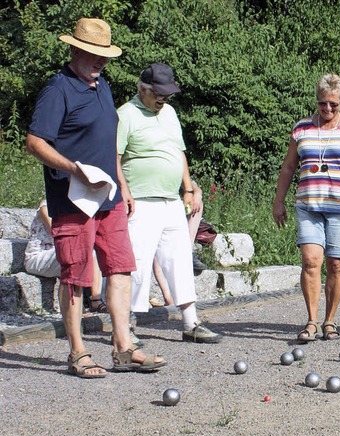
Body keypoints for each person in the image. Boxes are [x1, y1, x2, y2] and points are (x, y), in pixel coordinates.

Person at [25, 18, 166, 377]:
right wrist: (73, 168)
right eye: (93, 54)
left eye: (104, 55)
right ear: (75, 50)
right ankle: (78, 353)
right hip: (73, 199)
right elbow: (35, 142)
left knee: (120, 267)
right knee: (75, 275)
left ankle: (124, 347)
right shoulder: (58, 89)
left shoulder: (101, 86)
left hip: (109, 198)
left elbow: (107, 142)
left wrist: (122, 184)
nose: (100, 62)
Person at [117, 62, 222, 343]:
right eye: (159, 95)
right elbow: (114, 156)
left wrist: (188, 188)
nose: (164, 99)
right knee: (137, 264)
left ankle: (191, 323)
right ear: (143, 89)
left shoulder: (170, 113)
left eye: (168, 94)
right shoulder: (126, 115)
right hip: (140, 201)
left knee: (180, 261)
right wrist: (124, 191)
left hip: (170, 200)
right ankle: (127, 325)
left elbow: (178, 151)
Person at [272, 73, 340, 342]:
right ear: (316, 102)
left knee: (336, 265)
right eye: (322, 104)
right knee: (310, 261)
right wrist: (278, 201)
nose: (328, 109)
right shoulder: (302, 129)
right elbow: (289, 167)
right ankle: (311, 321)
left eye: (333, 105)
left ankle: (330, 320)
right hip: (308, 204)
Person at [24, 200, 105, 314]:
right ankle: (88, 303)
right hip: (38, 257)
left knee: (90, 252)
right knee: (78, 254)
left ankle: (95, 300)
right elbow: (56, 232)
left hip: (57, 254)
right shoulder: (45, 207)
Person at [150, 179, 206, 308]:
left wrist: (196, 194)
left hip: (176, 207)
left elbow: (194, 185)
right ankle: (168, 297)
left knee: (198, 203)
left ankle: (188, 249)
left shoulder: (174, 166)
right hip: (156, 206)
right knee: (159, 250)